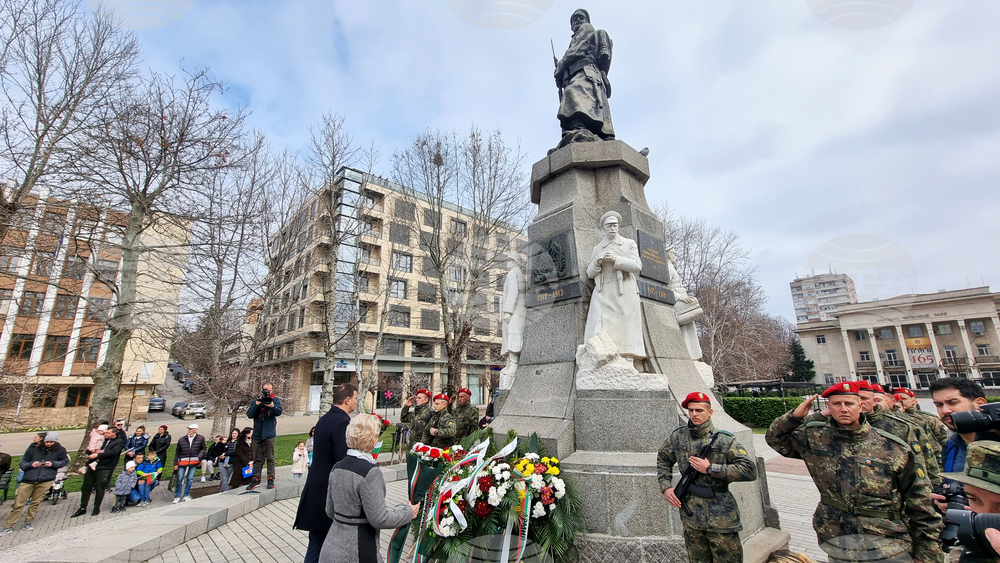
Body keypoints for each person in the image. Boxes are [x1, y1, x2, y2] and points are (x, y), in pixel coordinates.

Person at [765, 382, 943, 563]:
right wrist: (796, 416)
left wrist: (926, 555)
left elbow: (920, 504)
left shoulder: (892, 446)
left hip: (886, 540)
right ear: (828, 407)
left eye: (849, 403)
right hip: (837, 537)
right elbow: (776, 439)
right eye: (837, 404)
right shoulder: (816, 437)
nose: (843, 409)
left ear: (860, 405)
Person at [657, 392, 757, 563]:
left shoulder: (725, 440)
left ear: (710, 412)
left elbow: (749, 470)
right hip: (691, 514)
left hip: (721, 516)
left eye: (699, 410)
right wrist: (666, 486)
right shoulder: (678, 436)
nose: (694, 414)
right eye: (691, 410)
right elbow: (663, 459)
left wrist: (710, 468)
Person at [318, 413, 419, 563]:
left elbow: (330, 510)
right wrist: (408, 513)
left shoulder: (337, 467)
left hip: (331, 546)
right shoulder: (370, 472)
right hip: (358, 550)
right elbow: (380, 519)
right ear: (372, 439)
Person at [295, 383, 356, 563]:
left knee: (316, 542)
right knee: (323, 544)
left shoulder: (325, 418)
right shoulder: (342, 422)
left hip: (316, 487)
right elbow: (342, 458)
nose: (355, 402)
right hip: (327, 492)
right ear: (347, 400)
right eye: (354, 398)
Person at [583, 211, 645, 361]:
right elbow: (590, 273)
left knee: (626, 325)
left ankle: (628, 360)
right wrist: (597, 264)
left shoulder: (628, 243)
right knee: (600, 324)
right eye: (609, 225)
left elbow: (637, 266)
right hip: (604, 291)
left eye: (615, 225)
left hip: (624, 289)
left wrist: (617, 259)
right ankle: (602, 356)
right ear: (603, 228)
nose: (612, 228)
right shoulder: (597, 248)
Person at [552, 8, 614, 148]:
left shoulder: (587, 29)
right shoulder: (574, 38)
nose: (579, 21)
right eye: (575, 20)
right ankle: (580, 128)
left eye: (581, 18)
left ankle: (577, 126)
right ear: (571, 27)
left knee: (573, 92)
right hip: (577, 73)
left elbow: (577, 50)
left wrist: (561, 65)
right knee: (576, 95)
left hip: (587, 72)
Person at [0, 432, 67, 534]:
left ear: (55, 441)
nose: (48, 444)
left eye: (51, 442)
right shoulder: (33, 448)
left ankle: (28, 522)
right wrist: (31, 465)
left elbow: (63, 462)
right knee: (18, 503)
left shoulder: (60, 450)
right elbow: (23, 463)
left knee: (35, 502)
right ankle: (9, 525)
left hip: (45, 479)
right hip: (29, 479)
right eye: (47, 442)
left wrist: (53, 464)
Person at [73, 426, 124, 517]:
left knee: (100, 487)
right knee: (86, 487)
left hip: (105, 466)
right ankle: (82, 507)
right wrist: (90, 451)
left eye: (108, 433)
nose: (105, 434)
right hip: (92, 465)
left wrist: (98, 455)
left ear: (114, 433)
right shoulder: (101, 439)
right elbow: (92, 448)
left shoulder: (119, 442)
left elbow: (113, 453)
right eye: (105, 432)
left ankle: (96, 507)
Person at [246, 381, 283, 490]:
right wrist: (257, 404)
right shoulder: (256, 401)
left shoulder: (275, 400)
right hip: (257, 434)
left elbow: (279, 412)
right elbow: (250, 414)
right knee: (257, 458)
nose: (267, 392)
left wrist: (272, 406)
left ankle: (270, 478)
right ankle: (256, 479)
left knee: (270, 458)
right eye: (265, 390)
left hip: (269, 433)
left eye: (269, 390)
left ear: (272, 391)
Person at [172, 423, 206, 504]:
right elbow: (177, 452)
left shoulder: (200, 438)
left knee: (190, 479)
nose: (190, 430)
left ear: (196, 429)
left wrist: (199, 457)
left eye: (192, 429)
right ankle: (177, 496)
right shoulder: (182, 439)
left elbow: (203, 449)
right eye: (189, 429)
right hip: (182, 461)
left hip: (194, 461)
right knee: (180, 478)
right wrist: (175, 463)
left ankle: (186, 495)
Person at [218, 428, 239, 493]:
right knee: (224, 478)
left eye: (235, 433)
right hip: (223, 461)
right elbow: (220, 450)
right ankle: (225, 492)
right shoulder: (227, 442)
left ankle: (221, 492)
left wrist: (226, 454)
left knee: (226, 478)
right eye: (233, 433)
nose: (234, 435)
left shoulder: (238, 443)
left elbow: (235, 452)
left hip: (231, 462)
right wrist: (221, 454)